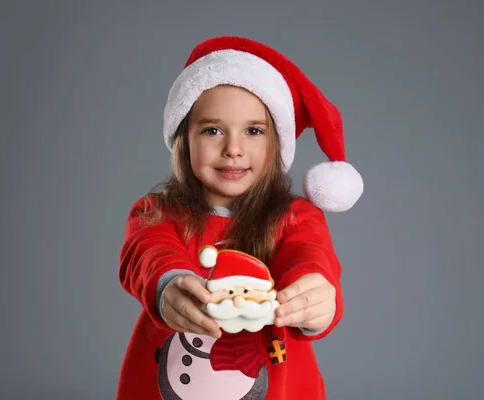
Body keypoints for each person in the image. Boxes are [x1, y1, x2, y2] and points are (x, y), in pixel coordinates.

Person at [117, 36, 364, 400]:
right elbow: (147, 252)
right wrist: (169, 285)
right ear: (184, 138)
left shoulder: (296, 217)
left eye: (253, 131)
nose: (233, 148)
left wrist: (313, 294)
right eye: (212, 130)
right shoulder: (156, 212)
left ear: (275, 143)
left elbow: (310, 254)